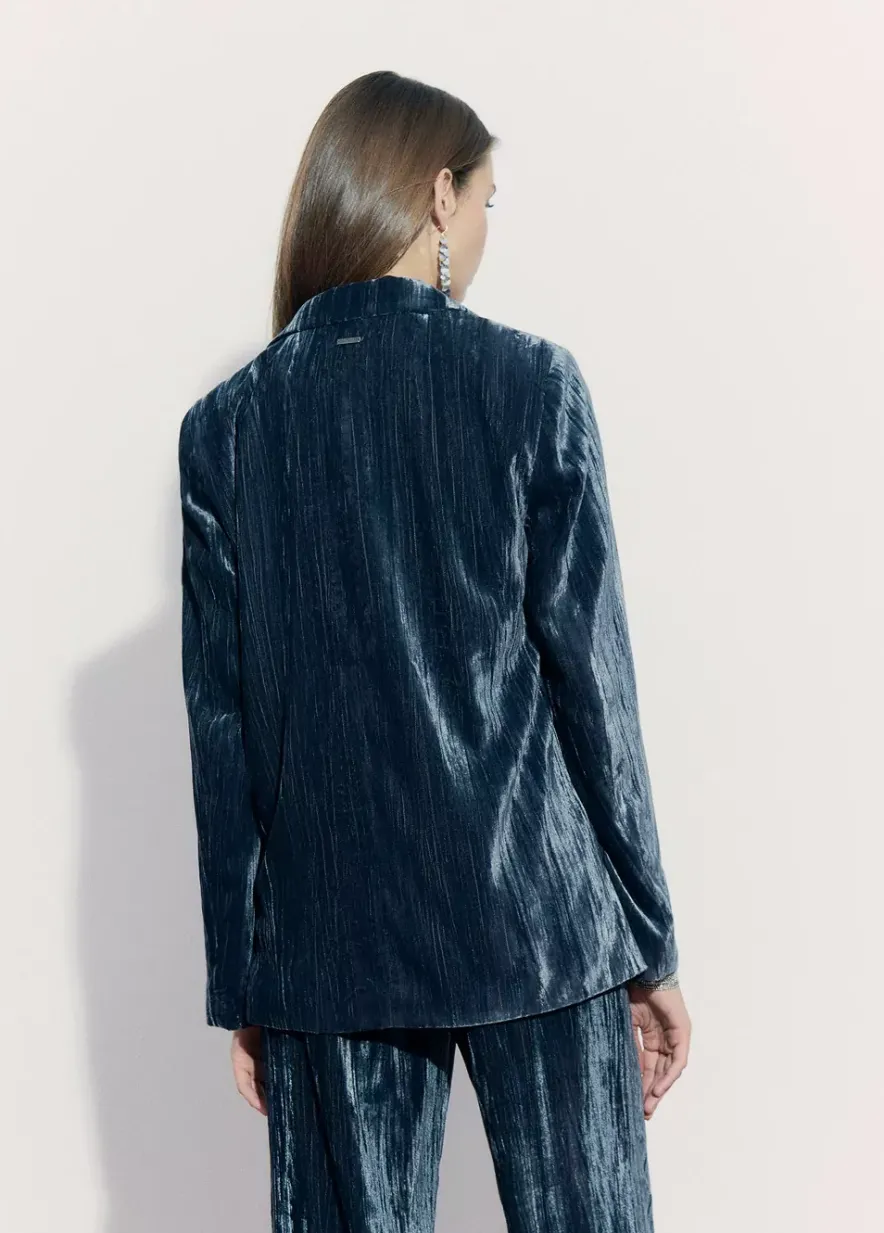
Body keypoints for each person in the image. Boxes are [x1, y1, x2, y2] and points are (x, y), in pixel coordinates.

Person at [178, 68, 691, 1233]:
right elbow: (592, 687)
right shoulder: (530, 385)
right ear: (438, 194)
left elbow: (224, 732)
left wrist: (247, 981)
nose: (486, 228)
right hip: (539, 922)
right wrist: (648, 946)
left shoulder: (225, 431)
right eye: (488, 199)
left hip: (329, 943)